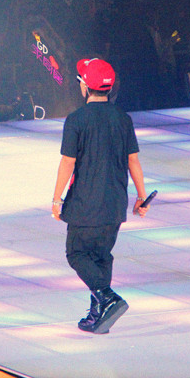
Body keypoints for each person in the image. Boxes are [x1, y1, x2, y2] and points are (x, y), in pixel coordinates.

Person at [51, 58, 149, 334]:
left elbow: (68, 162)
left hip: (85, 202)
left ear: (85, 85)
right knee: (101, 256)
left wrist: (57, 199)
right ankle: (98, 316)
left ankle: (107, 298)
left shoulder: (76, 119)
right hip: (115, 203)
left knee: (77, 254)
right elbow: (133, 160)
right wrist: (142, 196)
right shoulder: (123, 118)